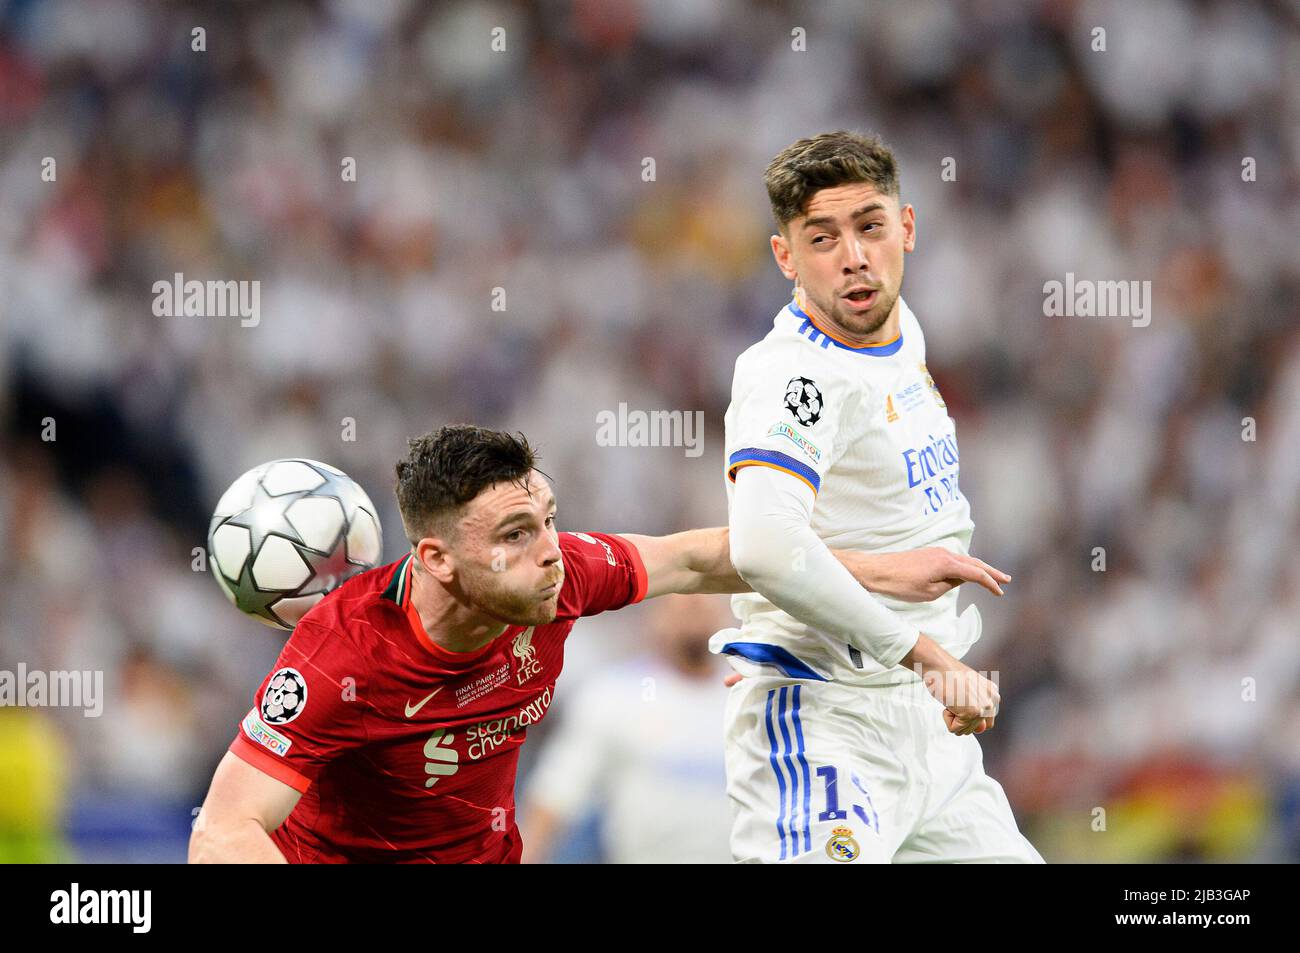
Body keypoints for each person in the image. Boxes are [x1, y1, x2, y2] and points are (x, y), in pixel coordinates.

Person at [189, 424, 1008, 863]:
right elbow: (221, 834)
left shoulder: (558, 577)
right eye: (516, 532)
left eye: (549, 517)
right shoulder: (342, 659)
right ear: (436, 558)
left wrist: (877, 569)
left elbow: (702, 555)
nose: (551, 546)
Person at [715, 130, 1044, 863]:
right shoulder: (793, 376)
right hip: (828, 719)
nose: (854, 256)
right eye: (821, 238)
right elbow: (765, 545)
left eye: (869, 226)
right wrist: (928, 655)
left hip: (932, 742)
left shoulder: (903, 333)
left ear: (907, 227)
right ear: (785, 258)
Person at [521, 594, 735, 864]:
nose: (692, 606)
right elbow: (553, 797)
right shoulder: (613, 695)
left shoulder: (755, 695)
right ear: (654, 615)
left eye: (704, 599)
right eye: (680, 600)